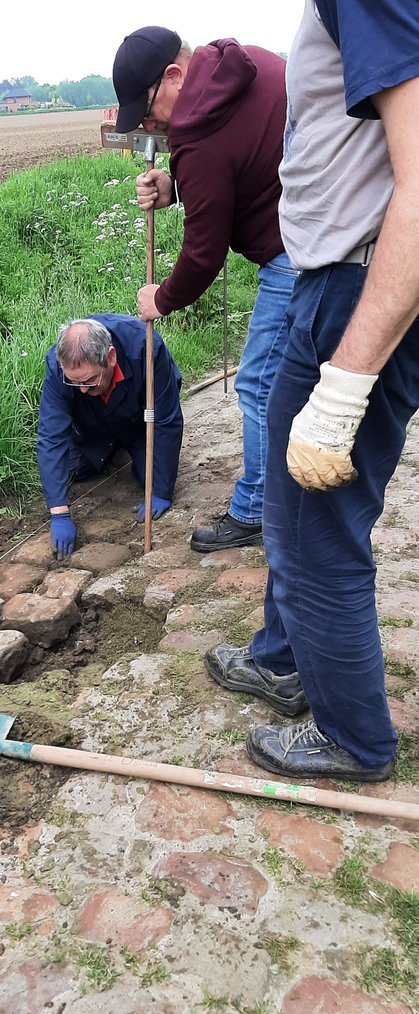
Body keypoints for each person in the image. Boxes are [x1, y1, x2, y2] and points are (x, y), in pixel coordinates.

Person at [205, 0, 419, 782]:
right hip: (333, 278)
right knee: (299, 522)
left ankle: (355, 740)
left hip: (358, 287)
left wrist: (344, 384)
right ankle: (285, 662)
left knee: (313, 530)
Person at [112, 26, 298, 552]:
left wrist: (162, 298)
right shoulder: (251, 63)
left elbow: (203, 254)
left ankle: (256, 511)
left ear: (173, 76)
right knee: (291, 380)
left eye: (146, 113)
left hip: (296, 257)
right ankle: (291, 489)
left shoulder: (199, 137)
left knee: (258, 384)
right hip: (333, 231)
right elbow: (247, 167)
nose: (149, 126)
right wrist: (177, 187)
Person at [38, 315, 183, 556]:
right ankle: (109, 446)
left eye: (90, 381)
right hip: (93, 423)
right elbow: (52, 436)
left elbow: (167, 422)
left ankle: (131, 448)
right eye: (75, 384)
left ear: (111, 358)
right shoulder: (58, 367)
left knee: (149, 478)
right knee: (73, 470)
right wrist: (59, 512)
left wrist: (161, 491)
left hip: (140, 420)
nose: (83, 390)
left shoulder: (146, 349)